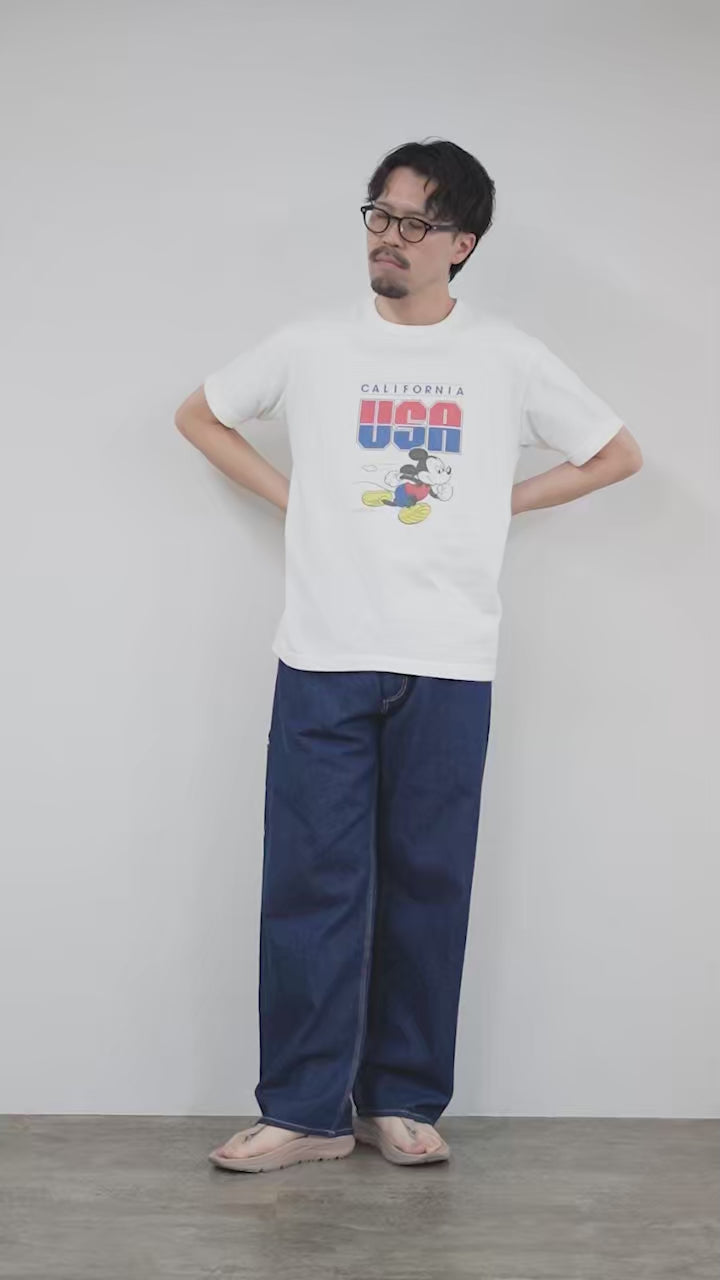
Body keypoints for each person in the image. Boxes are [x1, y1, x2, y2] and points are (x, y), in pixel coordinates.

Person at [174, 138, 643, 1175]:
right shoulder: (311, 343)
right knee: (311, 883)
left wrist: (500, 504)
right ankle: (304, 1110)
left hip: (449, 656)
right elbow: (199, 413)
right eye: (379, 215)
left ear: (461, 243)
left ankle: (400, 1097)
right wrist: (298, 501)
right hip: (324, 648)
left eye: (415, 223)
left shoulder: (506, 356)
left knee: (430, 884)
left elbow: (616, 452)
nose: (389, 237)